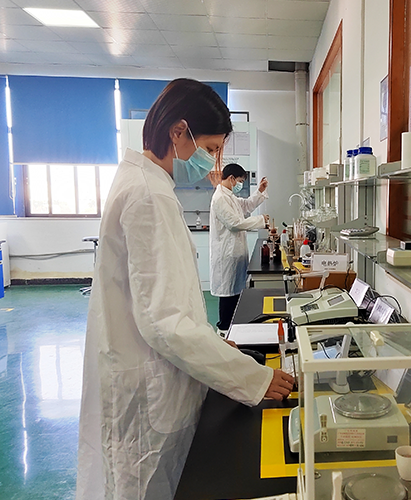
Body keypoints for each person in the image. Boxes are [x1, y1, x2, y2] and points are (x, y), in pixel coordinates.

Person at [76, 79, 295, 500]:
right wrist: (252, 378)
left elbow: (161, 302)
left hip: (149, 369)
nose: (214, 162)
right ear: (178, 132)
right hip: (148, 389)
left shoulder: (147, 183)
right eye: (210, 148)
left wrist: (212, 342)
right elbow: (166, 323)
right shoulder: (148, 195)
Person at [209, 163, 270, 334]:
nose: (240, 185)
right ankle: (224, 331)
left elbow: (246, 205)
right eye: (240, 181)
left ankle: (234, 330)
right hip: (227, 255)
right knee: (228, 295)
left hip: (234, 254)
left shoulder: (229, 196)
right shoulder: (220, 198)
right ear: (231, 178)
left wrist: (259, 191)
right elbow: (235, 224)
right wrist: (261, 221)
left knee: (234, 294)